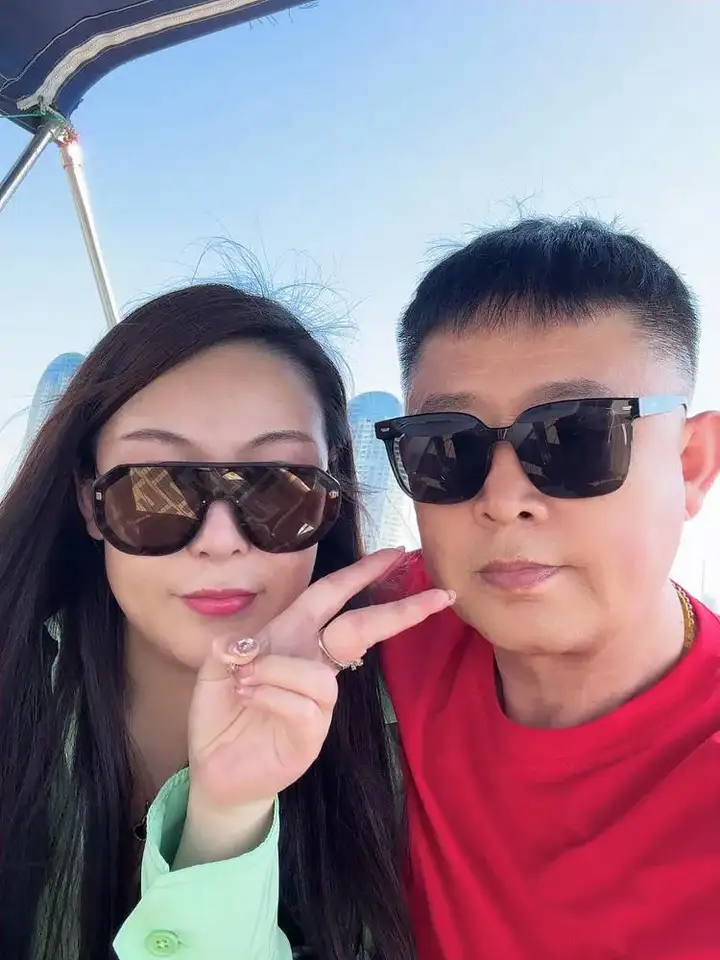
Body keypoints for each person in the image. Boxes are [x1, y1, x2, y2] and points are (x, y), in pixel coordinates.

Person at [123, 218, 719, 960]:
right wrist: (225, 813)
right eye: (447, 446)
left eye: (576, 437)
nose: (503, 499)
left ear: (691, 464)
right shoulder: (366, 631)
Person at [0, 282, 452, 960]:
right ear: (91, 505)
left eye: (279, 488)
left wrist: (225, 825)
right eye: (154, 488)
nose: (220, 540)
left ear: (328, 503)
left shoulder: (402, 749)